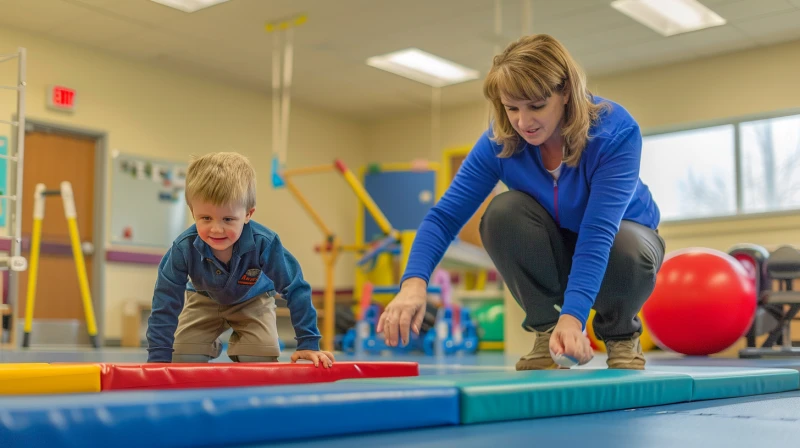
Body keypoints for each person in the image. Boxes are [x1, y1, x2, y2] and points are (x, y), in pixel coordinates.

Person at [376, 34, 665, 370]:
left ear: (566, 93)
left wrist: (573, 318)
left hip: (620, 240)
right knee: (501, 213)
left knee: (625, 245)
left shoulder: (615, 132)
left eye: (537, 106)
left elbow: (597, 232)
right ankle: (546, 332)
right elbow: (444, 217)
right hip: (557, 240)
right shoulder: (501, 141)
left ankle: (620, 337)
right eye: (511, 108)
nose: (523, 122)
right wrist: (413, 285)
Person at [146, 152, 335, 367]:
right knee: (182, 357)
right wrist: (158, 358)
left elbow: (296, 287)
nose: (216, 229)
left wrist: (308, 342)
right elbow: (165, 299)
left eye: (228, 219)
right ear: (192, 211)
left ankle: (253, 343)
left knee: (259, 359)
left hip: (253, 299)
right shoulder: (183, 247)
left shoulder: (265, 243)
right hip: (203, 299)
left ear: (248, 214)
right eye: (206, 218)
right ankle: (206, 342)